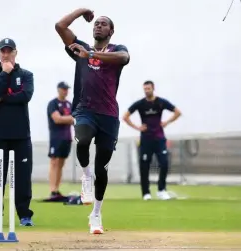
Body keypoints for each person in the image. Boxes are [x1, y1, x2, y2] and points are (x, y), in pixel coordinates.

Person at [55, 8, 130, 234]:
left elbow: (124, 58)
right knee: (83, 141)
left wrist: (93, 56)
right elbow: (60, 27)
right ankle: (86, 176)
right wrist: (81, 11)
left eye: (104, 23)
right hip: (85, 110)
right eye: (96, 23)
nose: (98, 25)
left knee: (103, 168)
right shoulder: (81, 49)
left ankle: (96, 214)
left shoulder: (116, 50)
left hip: (108, 115)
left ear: (111, 31)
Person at [0, 38, 34, 226]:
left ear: (15, 53)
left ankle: (25, 215)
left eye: (9, 51)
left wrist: (2, 97)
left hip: (21, 136)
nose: (6, 54)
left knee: (22, 178)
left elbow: (25, 96)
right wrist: (4, 74)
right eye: (3, 51)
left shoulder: (26, 75)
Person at [122, 80, 181, 201]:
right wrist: (137, 127)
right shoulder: (140, 104)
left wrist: (166, 122)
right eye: (145, 89)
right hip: (145, 140)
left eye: (148, 88)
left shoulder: (161, 102)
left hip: (159, 139)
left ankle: (161, 190)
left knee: (164, 163)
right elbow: (125, 116)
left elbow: (177, 112)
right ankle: (146, 193)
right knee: (144, 166)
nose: (146, 91)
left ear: (153, 88)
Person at [46, 82, 73, 200]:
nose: (65, 91)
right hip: (56, 137)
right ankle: (52, 190)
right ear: (58, 90)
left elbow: (76, 118)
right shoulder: (53, 104)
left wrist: (70, 119)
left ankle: (57, 189)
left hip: (67, 137)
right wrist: (71, 118)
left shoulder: (69, 104)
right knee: (54, 162)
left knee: (61, 163)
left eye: (67, 89)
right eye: (63, 89)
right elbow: (57, 119)